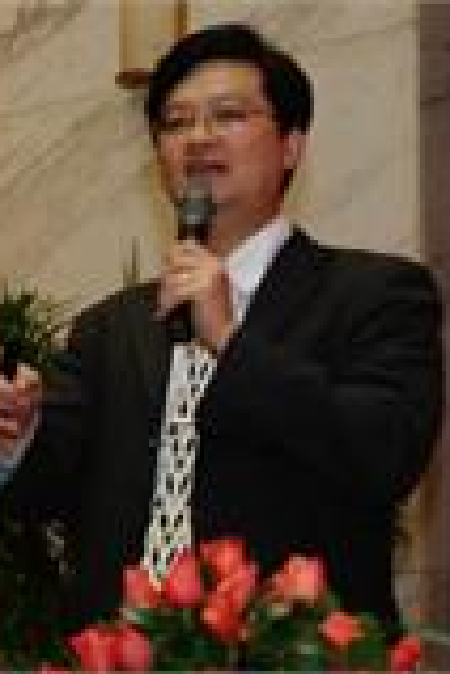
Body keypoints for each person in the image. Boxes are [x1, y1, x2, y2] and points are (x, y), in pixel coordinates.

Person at [0, 23, 443, 639]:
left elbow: (385, 453)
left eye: (228, 115)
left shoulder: (375, 293)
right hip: (117, 654)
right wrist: (16, 437)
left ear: (291, 145)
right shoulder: (111, 327)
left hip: (293, 653)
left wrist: (230, 340)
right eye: (176, 123)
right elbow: (45, 488)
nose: (198, 137)